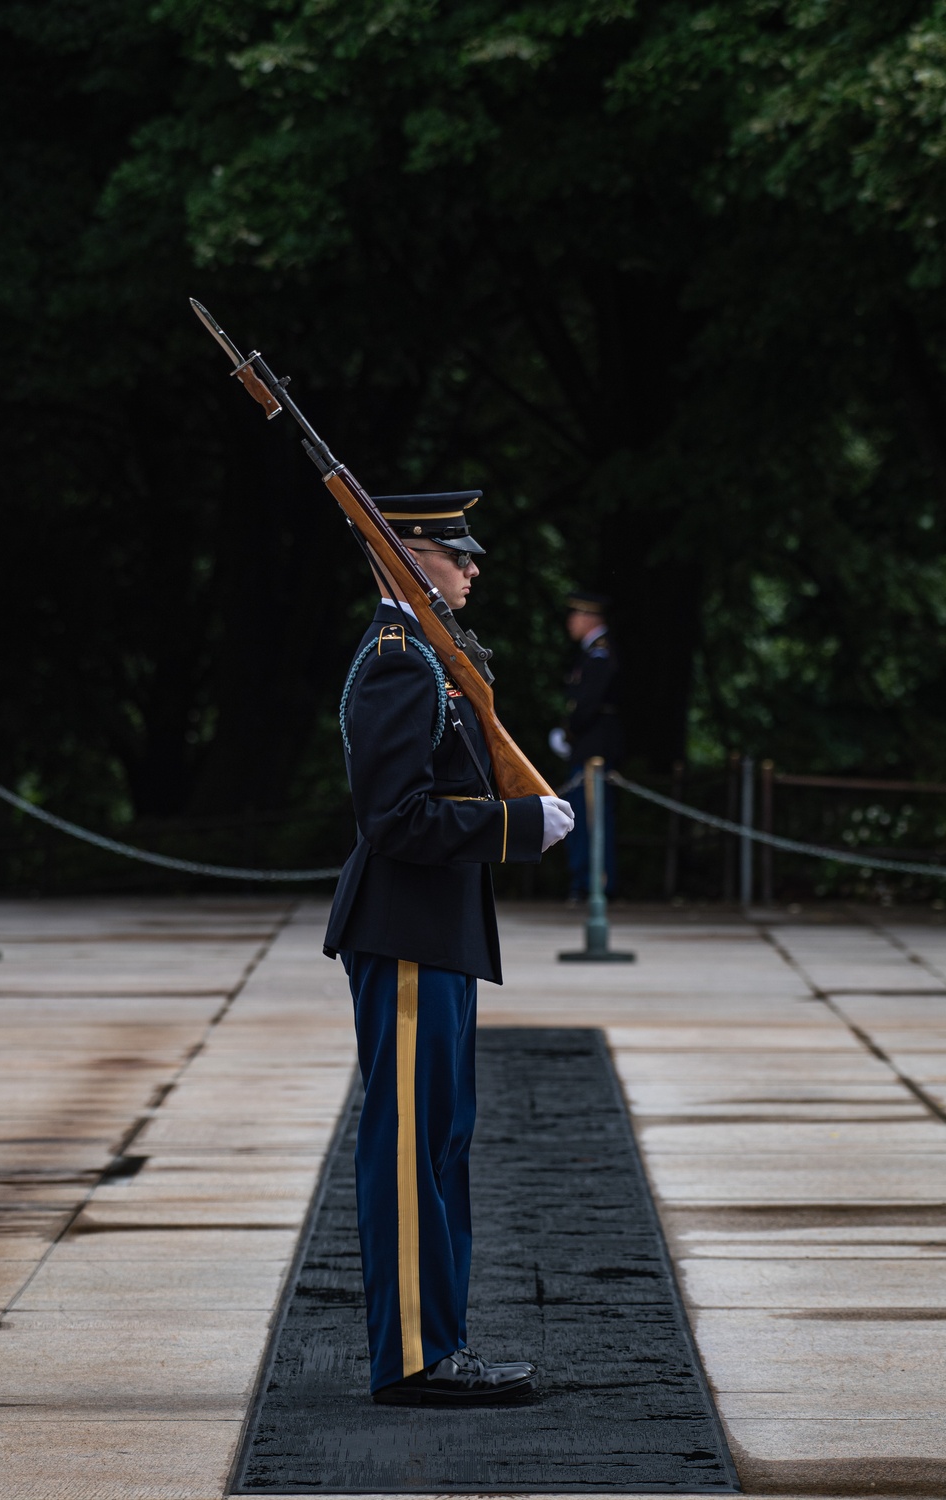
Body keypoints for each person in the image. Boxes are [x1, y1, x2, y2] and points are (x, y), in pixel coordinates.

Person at [324, 489, 574, 1407]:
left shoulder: (428, 657)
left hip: (435, 932)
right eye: (455, 554)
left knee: (441, 1141)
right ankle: (417, 1360)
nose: (472, 568)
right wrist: (514, 826)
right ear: (405, 559)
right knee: (407, 1149)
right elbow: (393, 821)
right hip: (405, 934)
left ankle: (442, 1341)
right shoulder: (399, 663)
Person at [548, 590, 622, 902]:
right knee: (584, 821)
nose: (570, 622)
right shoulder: (592, 654)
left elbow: (586, 707)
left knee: (591, 821)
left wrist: (569, 735)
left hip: (593, 752)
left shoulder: (599, 656)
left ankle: (595, 885)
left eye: (575, 615)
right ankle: (587, 882)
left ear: (589, 618)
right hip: (589, 751)